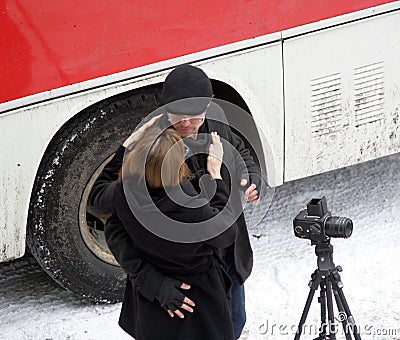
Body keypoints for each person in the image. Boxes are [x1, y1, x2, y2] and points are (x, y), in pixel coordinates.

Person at [89, 64, 263, 339]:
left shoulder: (215, 118)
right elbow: (113, 223)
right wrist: (152, 283)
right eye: (177, 116)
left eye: (194, 117)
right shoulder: (151, 144)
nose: (186, 124)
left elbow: (238, 148)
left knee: (236, 321)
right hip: (189, 281)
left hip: (229, 262)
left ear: (208, 107)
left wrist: (251, 175)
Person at [94, 126, 236, 339]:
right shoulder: (192, 208)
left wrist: (125, 147)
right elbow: (226, 233)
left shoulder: (122, 194)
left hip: (152, 309)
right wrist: (215, 175)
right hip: (198, 301)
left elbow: (98, 194)